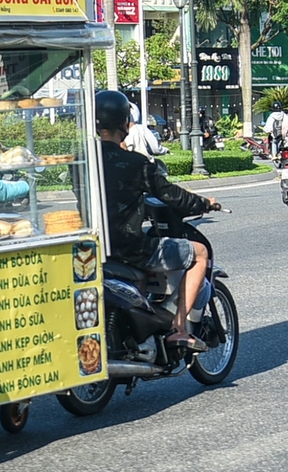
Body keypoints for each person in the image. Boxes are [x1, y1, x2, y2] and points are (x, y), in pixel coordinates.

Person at [93, 89, 220, 351]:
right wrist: (204, 203)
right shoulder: (134, 163)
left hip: (94, 247)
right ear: (122, 121)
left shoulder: (85, 161)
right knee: (200, 253)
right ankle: (179, 328)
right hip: (130, 247)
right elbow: (171, 195)